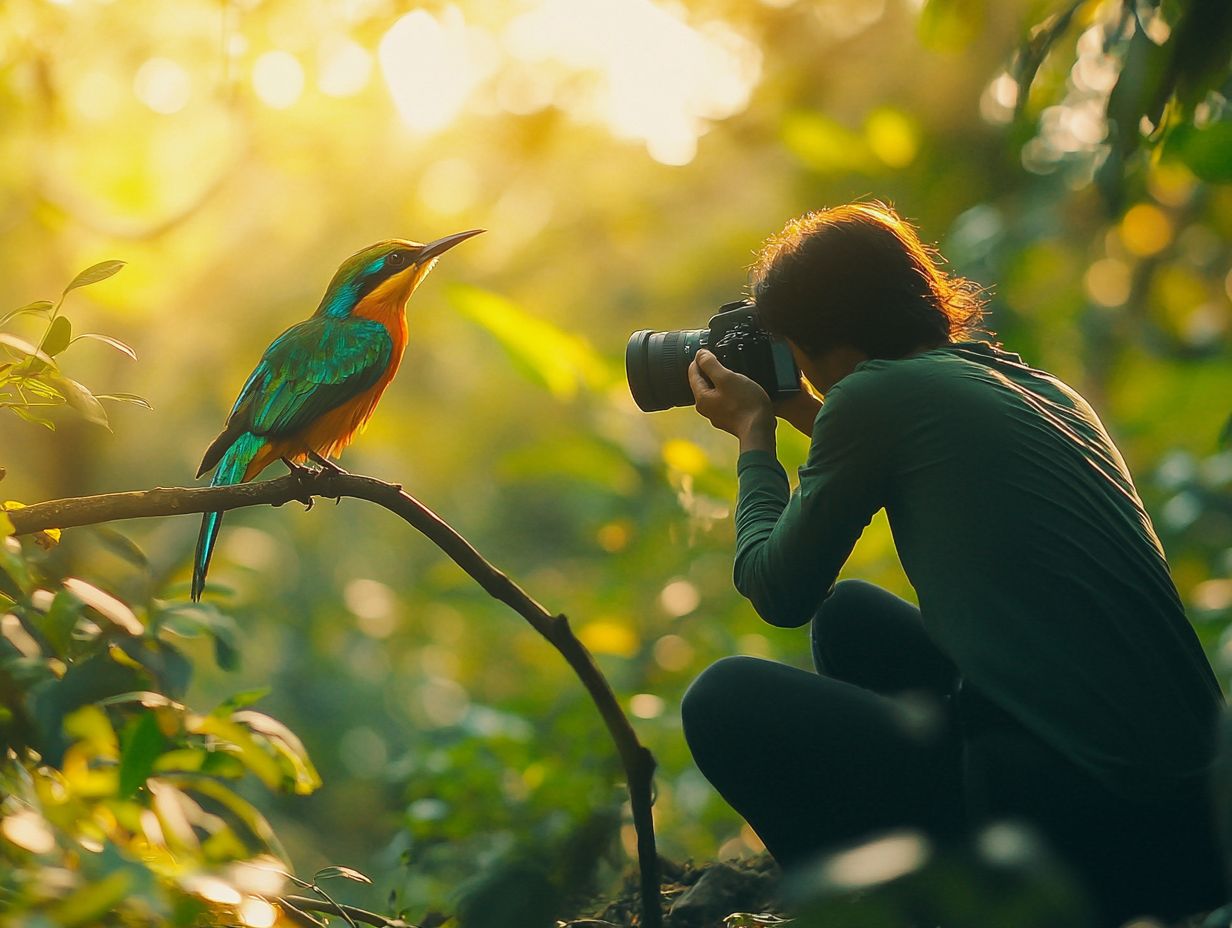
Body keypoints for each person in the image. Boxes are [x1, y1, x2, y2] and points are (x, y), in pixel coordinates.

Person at [680, 202, 1225, 926]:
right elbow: (905, 446)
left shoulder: (875, 400)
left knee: (723, 698)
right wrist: (799, 411)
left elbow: (776, 589)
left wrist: (754, 434)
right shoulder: (1036, 387)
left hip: (1090, 829)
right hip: (1195, 822)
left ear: (819, 341)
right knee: (851, 617)